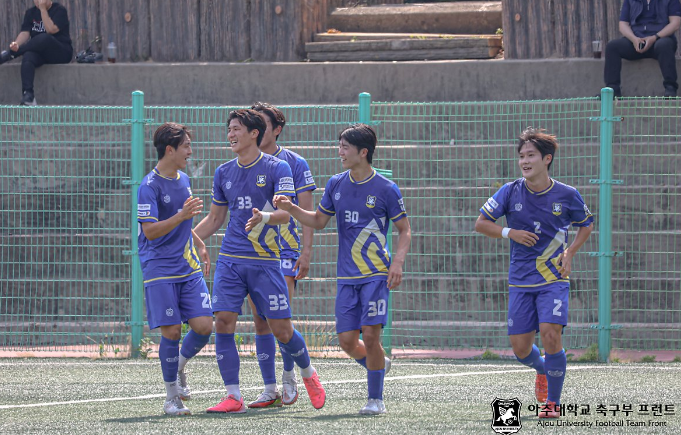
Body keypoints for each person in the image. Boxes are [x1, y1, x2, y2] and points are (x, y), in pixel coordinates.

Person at [273, 124, 412, 415]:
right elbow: (319, 220)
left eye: (345, 147)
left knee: (371, 338)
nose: (340, 152)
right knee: (347, 342)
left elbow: (404, 230)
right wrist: (291, 208)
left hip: (375, 275)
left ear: (364, 152)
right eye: (339, 146)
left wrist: (397, 262)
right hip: (347, 278)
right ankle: (379, 365)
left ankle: (376, 399)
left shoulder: (386, 189)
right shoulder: (336, 183)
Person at [194, 109, 325, 413]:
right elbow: (215, 218)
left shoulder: (279, 168)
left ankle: (308, 374)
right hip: (230, 260)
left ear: (254, 133)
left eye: (236, 129)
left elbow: (286, 213)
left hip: (266, 262)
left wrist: (264, 216)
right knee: (224, 322)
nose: (230, 135)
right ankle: (233, 395)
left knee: (281, 329)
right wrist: (188, 238)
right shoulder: (223, 171)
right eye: (229, 129)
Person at [474, 127, 594, 419]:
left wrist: (569, 253)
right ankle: (543, 370)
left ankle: (552, 403)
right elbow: (481, 223)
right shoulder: (509, 191)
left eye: (531, 155)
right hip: (520, 281)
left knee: (550, 334)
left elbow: (586, 224)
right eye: (521, 156)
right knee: (520, 348)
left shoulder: (567, 194)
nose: (524, 161)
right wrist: (509, 231)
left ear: (547, 159)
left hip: (553, 279)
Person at [137, 122, 214, 416]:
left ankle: (179, 366)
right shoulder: (149, 186)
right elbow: (151, 231)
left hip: (187, 265)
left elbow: (184, 221)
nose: (190, 152)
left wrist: (199, 242)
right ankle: (172, 398)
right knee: (171, 332)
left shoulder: (183, 179)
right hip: (159, 268)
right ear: (170, 150)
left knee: (205, 326)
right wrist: (182, 215)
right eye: (185, 147)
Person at [245, 102, 317, 408]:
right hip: (251, 252)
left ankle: (290, 376)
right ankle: (269, 387)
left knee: (279, 320)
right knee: (260, 321)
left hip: (285, 251)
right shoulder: (243, 162)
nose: (257, 131)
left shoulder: (295, 162)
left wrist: (307, 252)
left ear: (277, 129)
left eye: (263, 125)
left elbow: (307, 211)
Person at [0, 0, 73, 105]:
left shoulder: (59, 10)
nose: (38, 1)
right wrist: (16, 44)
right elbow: (25, 32)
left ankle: (9, 55)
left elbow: (50, 30)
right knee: (28, 56)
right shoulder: (30, 12)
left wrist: (43, 9)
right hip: (41, 53)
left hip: (61, 52)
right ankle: (28, 95)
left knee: (44, 38)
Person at [603, 0, 681, 98]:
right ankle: (612, 90)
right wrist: (634, 39)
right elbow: (623, 25)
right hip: (637, 41)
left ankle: (670, 88)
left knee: (664, 45)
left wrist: (654, 37)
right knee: (612, 46)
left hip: (659, 39)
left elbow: (675, 24)